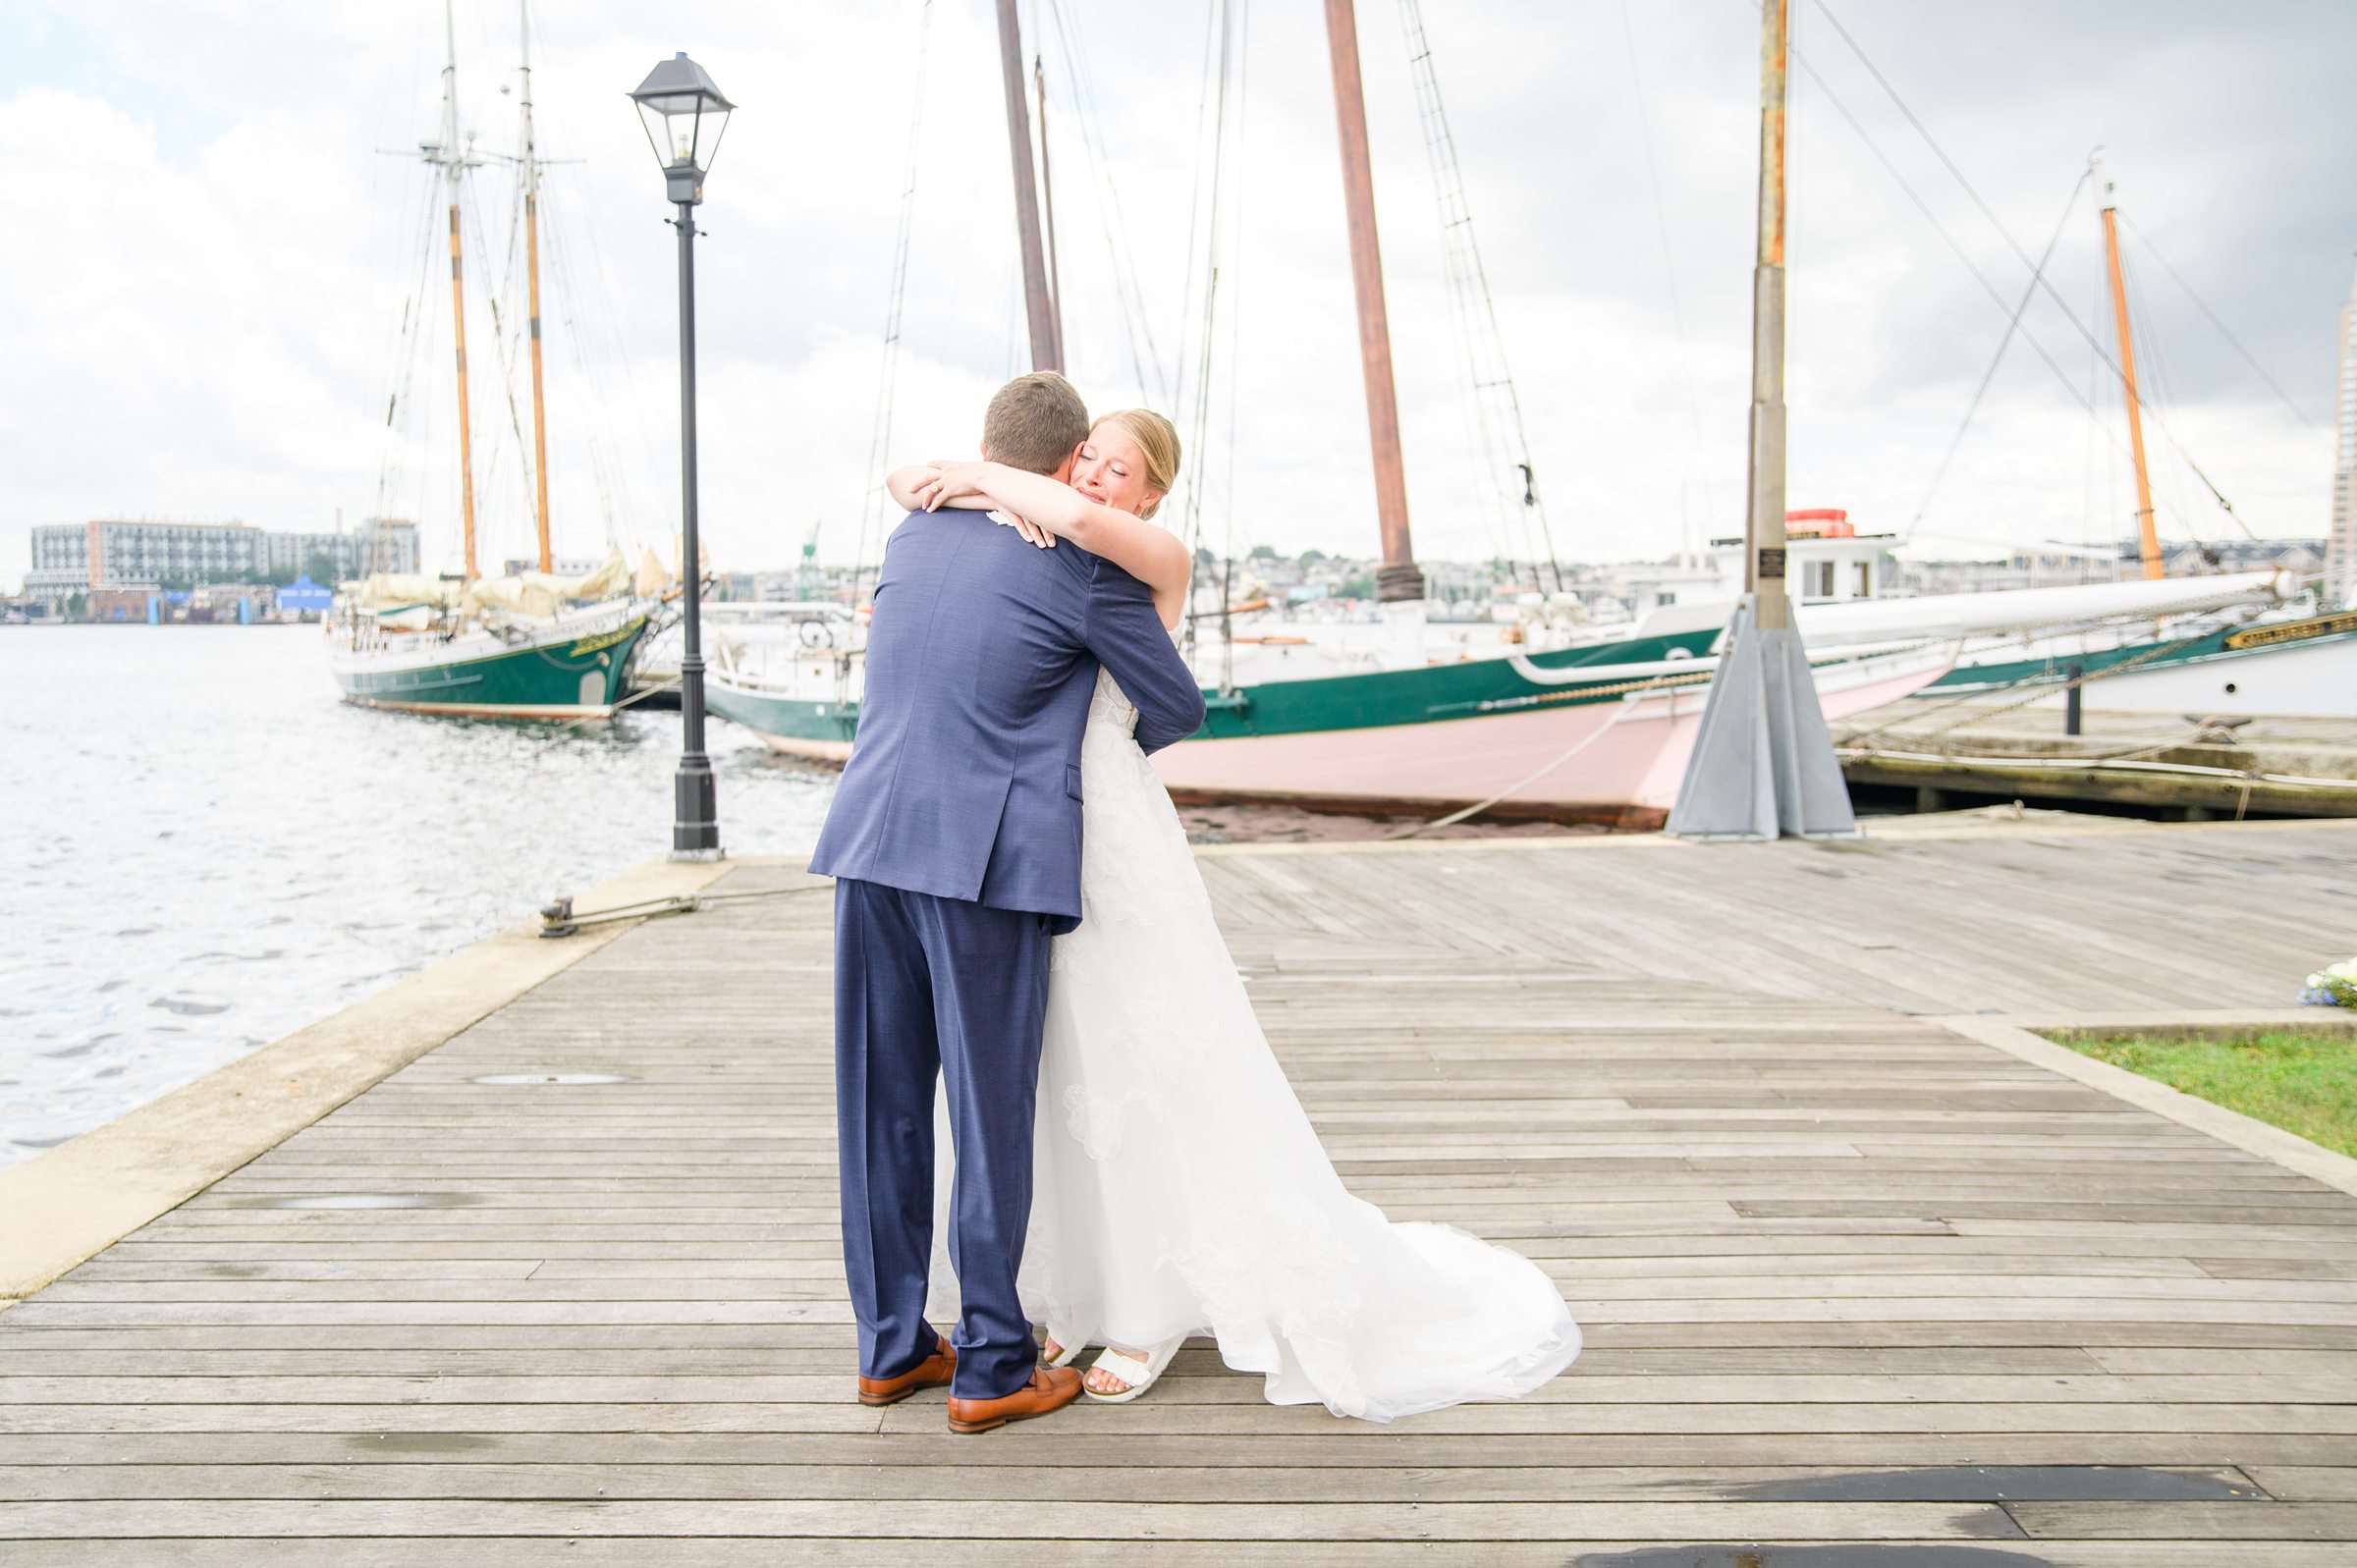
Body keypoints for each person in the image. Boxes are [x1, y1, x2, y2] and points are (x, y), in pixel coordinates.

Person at [888, 410, 1581, 1420]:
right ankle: (1059, 1285)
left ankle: (1149, 1307)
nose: (1098, 477)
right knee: (1050, 1067)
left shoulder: (1149, 555)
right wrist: (993, 487)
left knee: (1139, 1060)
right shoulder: (1049, 541)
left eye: (1119, 469)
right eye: (1087, 459)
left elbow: (1074, 530)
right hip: (1033, 835)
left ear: (1153, 494)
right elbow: (910, 479)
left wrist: (1000, 485)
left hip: (1111, 834)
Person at [808, 373, 1207, 1435]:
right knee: (989, 1117)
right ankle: (991, 1363)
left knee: (879, 1105)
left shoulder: (915, 531)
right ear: (1070, 460)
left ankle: (892, 1347)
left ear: (986, 450)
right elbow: (1171, 704)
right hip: (983, 864)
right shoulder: (1080, 563)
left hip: (868, 840)